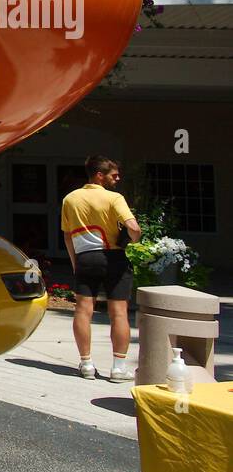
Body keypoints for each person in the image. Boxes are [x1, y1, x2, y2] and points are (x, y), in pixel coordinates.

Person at [60, 155, 142, 381]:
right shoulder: (114, 198)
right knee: (119, 312)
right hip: (114, 257)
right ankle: (118, 367)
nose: (117, 179)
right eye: (113, 175)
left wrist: (75, 262)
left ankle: (86, 363)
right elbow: (133, 227)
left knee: (83, 311)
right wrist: (134, 237)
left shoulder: (70, 199)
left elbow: (68, 236)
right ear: (99, 175)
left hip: (85, 258)